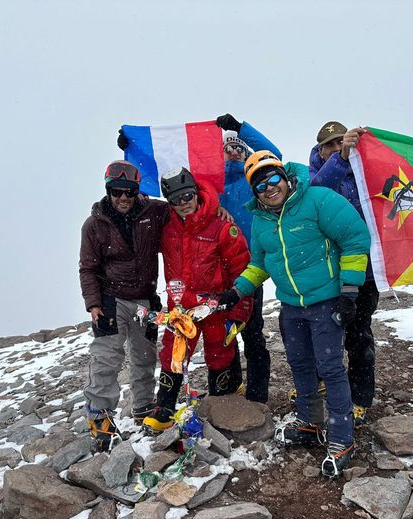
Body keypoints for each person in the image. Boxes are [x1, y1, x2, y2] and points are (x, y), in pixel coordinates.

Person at [217, 151, 371, 478]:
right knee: (300, 364)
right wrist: (236, 291)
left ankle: (342, 437)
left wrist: (349, 291)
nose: (269, 188)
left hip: (327, 301)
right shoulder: (260, 221)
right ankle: (309, 422)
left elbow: (355, 238)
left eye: (273, 179)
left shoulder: (316, 199)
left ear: (285, 176)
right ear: (254, 192)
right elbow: (259, 264)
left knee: (329, 366)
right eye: (260, 185)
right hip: (291, 306)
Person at [142, 167, 254, 432]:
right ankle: (164, 409)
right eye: (176, 199)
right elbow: (137, 217)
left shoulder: (222, 227)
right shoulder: (166, 228)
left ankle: (221, 400)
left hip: (216, 306)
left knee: (220, 352)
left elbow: (242, 269)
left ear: (196, 192)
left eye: (188, 195)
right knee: (173, 354)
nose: (184, 203)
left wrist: (239, 313)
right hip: (181, 309)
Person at [79, 160, 169, 450]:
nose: (123, 198)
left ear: (136, 191)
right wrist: (93, 303)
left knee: (145, 355)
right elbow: (88, 269)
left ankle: (143, 406)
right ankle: (99, 416)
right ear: (108, 191)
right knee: (107, 357)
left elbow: (185, 203)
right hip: (110, 300)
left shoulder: (153, 211)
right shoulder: (94, 225)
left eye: (129, 192)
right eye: (117, 191)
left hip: (145, 298)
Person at [308, 121, 378, 426]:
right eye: (331, 146)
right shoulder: (315, 178)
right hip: (325, 274)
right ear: (321, 151)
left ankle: (360, 397)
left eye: (341, 143)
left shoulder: (371, 175)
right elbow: (316, 192)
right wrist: (343, 157)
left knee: (359, 335)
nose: (337, 149)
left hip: (365, 272)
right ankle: (323, 382)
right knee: (323, 335)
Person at [213, 113, 282, 403]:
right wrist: (133, 148)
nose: (233, 152)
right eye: (228, 147)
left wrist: (240, 128)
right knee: (221, 334)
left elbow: (274, 155)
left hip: (252, 268)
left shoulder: (253, 179)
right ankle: (228, 390)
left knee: (252, 333)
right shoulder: (209, 183)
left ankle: (257, 397)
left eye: (239, 147)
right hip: (217, 270)